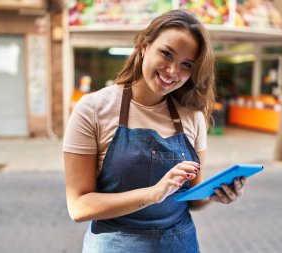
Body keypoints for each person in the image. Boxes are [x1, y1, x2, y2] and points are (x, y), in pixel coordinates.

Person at [63, 9, 248, 253]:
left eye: (186, 65)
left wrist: (216, 194)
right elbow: (79, 207)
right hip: (115, 244)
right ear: (144, 46)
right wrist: (155, 193)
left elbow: (193, 199)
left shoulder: (192, 117)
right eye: (166, 54)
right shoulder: (93, 109)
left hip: (180, 244)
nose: (172, 71)